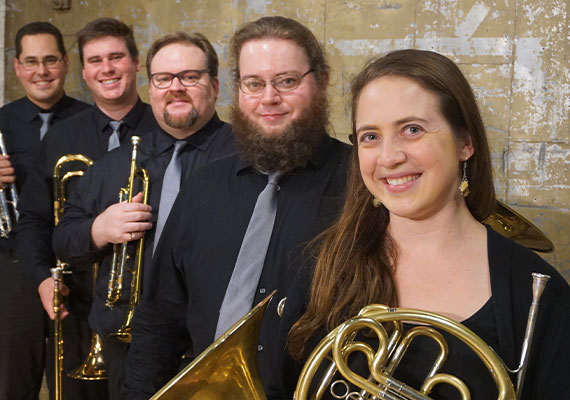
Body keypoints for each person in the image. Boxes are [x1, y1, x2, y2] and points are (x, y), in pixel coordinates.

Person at [267, 49, 570, 400]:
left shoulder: (537, 295)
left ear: (465, 142)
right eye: (370, 136)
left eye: (412, 129)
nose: (389, 157)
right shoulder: (324, 266)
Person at [124, 16, 351, 398]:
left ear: (322, 81)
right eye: (254, 83)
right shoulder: (202, 186)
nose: (269, 98)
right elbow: (159, 322)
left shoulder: (360, 183)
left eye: (287, 81)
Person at [52, 31, 236, 399]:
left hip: (216, 346)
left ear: (215, 85)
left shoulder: (245, 158)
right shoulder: (116, 163)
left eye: (190, 76)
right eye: (164, 79)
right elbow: (62, 241)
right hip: (130, 348)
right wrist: (99, 229)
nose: (176, 88)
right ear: (150, 87)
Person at [17, 18, 157, 399]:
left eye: (116, 57)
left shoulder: (164, 131)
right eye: (95, 60)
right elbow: (33, 220)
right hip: (76, 311)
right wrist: (42, 278)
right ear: (84, 70)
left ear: (136, 62)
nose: (106, 68)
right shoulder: (61, 137)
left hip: (148, 315)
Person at [0, 21, 90, 400]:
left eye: (50, 60)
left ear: (66, 63)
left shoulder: (91, 120)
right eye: (31, 62)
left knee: (72, 380)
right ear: (17, 66)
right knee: (13, 377)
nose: (41, 71)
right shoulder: (1, 122)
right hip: (14, 267)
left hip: (78, 267)